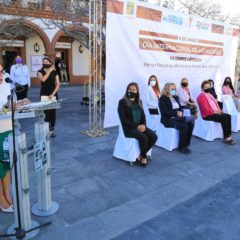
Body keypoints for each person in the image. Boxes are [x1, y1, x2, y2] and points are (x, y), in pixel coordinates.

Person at [118, 82, 157, 166]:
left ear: (137, 91)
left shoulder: (139, 102)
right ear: (127, 90)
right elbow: (123, 120)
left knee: (154, 136)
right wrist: (137, 126)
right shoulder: (122, 102)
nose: (131, 91)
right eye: (130, 89)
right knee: (144, 137)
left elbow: (143, 116)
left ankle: (140, 155)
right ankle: (143, 157)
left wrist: (143, 125)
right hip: (129, 128)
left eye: (134, 90)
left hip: (140, 126)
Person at [159, 83, 195, 154]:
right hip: (168, 120)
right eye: (172, 89)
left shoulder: (175, 97)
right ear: (167, 89)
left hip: (178, 118)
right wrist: (176, 113)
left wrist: (180, 112)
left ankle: (186, 144)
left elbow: (180, 108)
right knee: (184, 126)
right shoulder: (163, 98)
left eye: (175, 89)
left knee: (191, 124)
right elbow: (164, 112)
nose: (174, 90)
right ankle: (181, 147)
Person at [197, 80, 235, 145]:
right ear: (202, 88)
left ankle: (228, 135)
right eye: (205, 87)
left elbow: (216, 104)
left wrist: (219, 110)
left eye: (208, 86)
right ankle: (226, 138)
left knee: (228, 116)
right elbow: (205, 108)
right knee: (224, 117)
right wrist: (215, 112)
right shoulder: (201, 96)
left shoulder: (209, 94)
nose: (207, 88)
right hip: (207, 115)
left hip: (214, 113)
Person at [0, 62, 14, 213]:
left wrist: (18, 102)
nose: (0, 75)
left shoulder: (5, 83)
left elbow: (8, 101)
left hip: (7, 128)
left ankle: (7, 194)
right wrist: (6, 107)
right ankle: (1, 199)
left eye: (1, 71)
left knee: (6, 164)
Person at [37, 57, 60, 137]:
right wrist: (49, 71)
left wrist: (53, 94)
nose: (45, 63)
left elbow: (58, 84)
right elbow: (43, 79)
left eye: (47, 62)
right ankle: (46, 130)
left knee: (53, 113)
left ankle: (52, 130)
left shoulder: (55, 72)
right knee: (45, 113)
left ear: (50, 63)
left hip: (53, 95)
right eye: (44, 62)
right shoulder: (40, 71)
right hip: (44, 94)